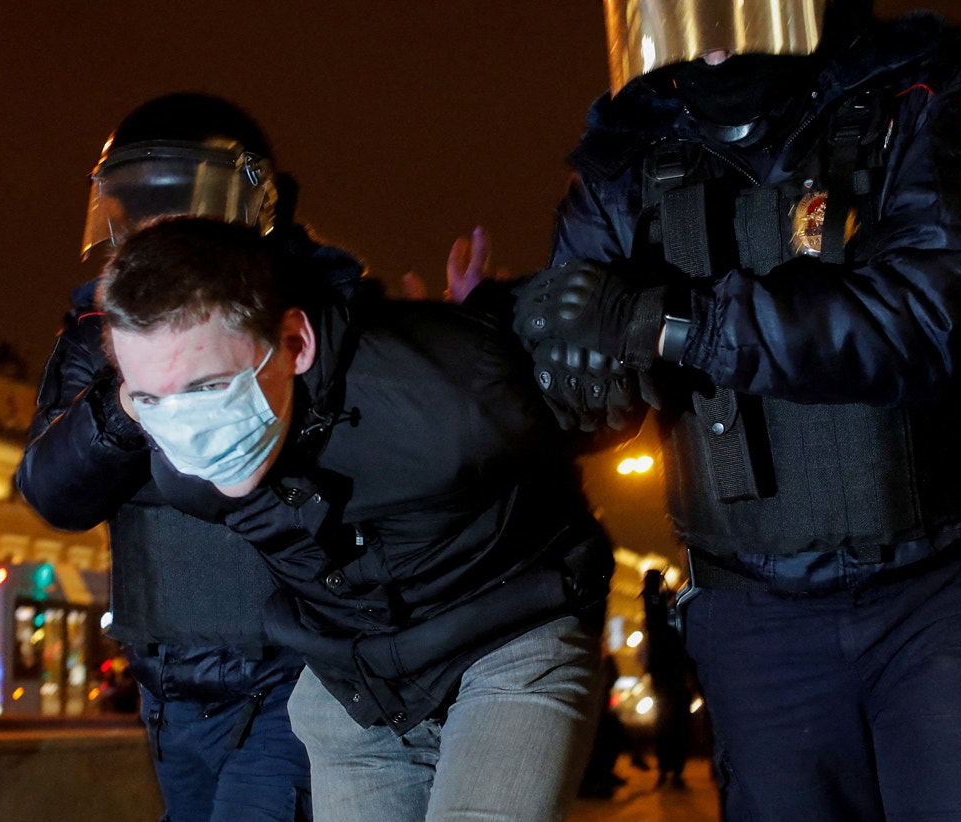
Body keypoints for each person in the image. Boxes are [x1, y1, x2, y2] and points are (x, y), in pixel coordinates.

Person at [510, 1, 961, 818]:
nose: (709, 40)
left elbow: (928, 319)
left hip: (941, 593)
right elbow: (588, 378)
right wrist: (556, 356)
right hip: (754, 613)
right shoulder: (623, 162)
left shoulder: (920, 93)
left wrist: (672, 322)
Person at [96, 217, 613, 821]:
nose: (187, 431)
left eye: (209, 386)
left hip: (508, 641)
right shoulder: (186, 475)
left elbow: (595, 406)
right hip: (358, 689)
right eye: (149, 399)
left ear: (295, 343)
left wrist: (517, 321)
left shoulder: (451, 400)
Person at [15, 93, 360, 821]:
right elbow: (51, 492)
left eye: (182, 200)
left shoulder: (310, 312)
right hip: (169, 683)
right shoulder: (96, 333)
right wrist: (130, 391)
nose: (155, 225)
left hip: (292, 674)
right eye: (137, 203)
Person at [641, 569, 692, 790]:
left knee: (666, 723)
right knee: (678, 723)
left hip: (664, 674)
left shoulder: (654, 607)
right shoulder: (667, 606)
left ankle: (666, 770)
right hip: (675, 673)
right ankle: (673, 771)